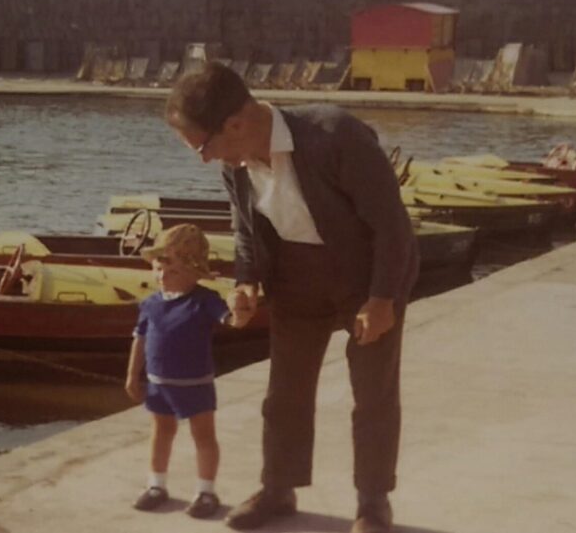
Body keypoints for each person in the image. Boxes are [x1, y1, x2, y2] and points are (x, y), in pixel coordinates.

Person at [164, 62, 419, 533]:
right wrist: (247, 281)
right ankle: (279, 488)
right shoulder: (236, 163)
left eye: (202, 147)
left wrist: (382, 299)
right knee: (285, 393)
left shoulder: (334, 135)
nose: (204, 160)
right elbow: (245, 228)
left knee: (373, 394)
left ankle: (373, 502)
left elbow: (392, 228)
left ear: (235, 125)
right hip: (296, 280)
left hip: (365, 277)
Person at [125, 223, 255, 519]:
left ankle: (206, 491)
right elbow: (140, 340)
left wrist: (240, 311)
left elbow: (233, 322)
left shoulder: (205, 300)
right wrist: (133, 375)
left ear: (195, 272)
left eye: (173, 272)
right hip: (158, 383)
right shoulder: (150, 304)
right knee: (161, 433)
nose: (162, 277)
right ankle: (156, 485)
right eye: (158, 269)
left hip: (195, 383)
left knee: (203, 436)